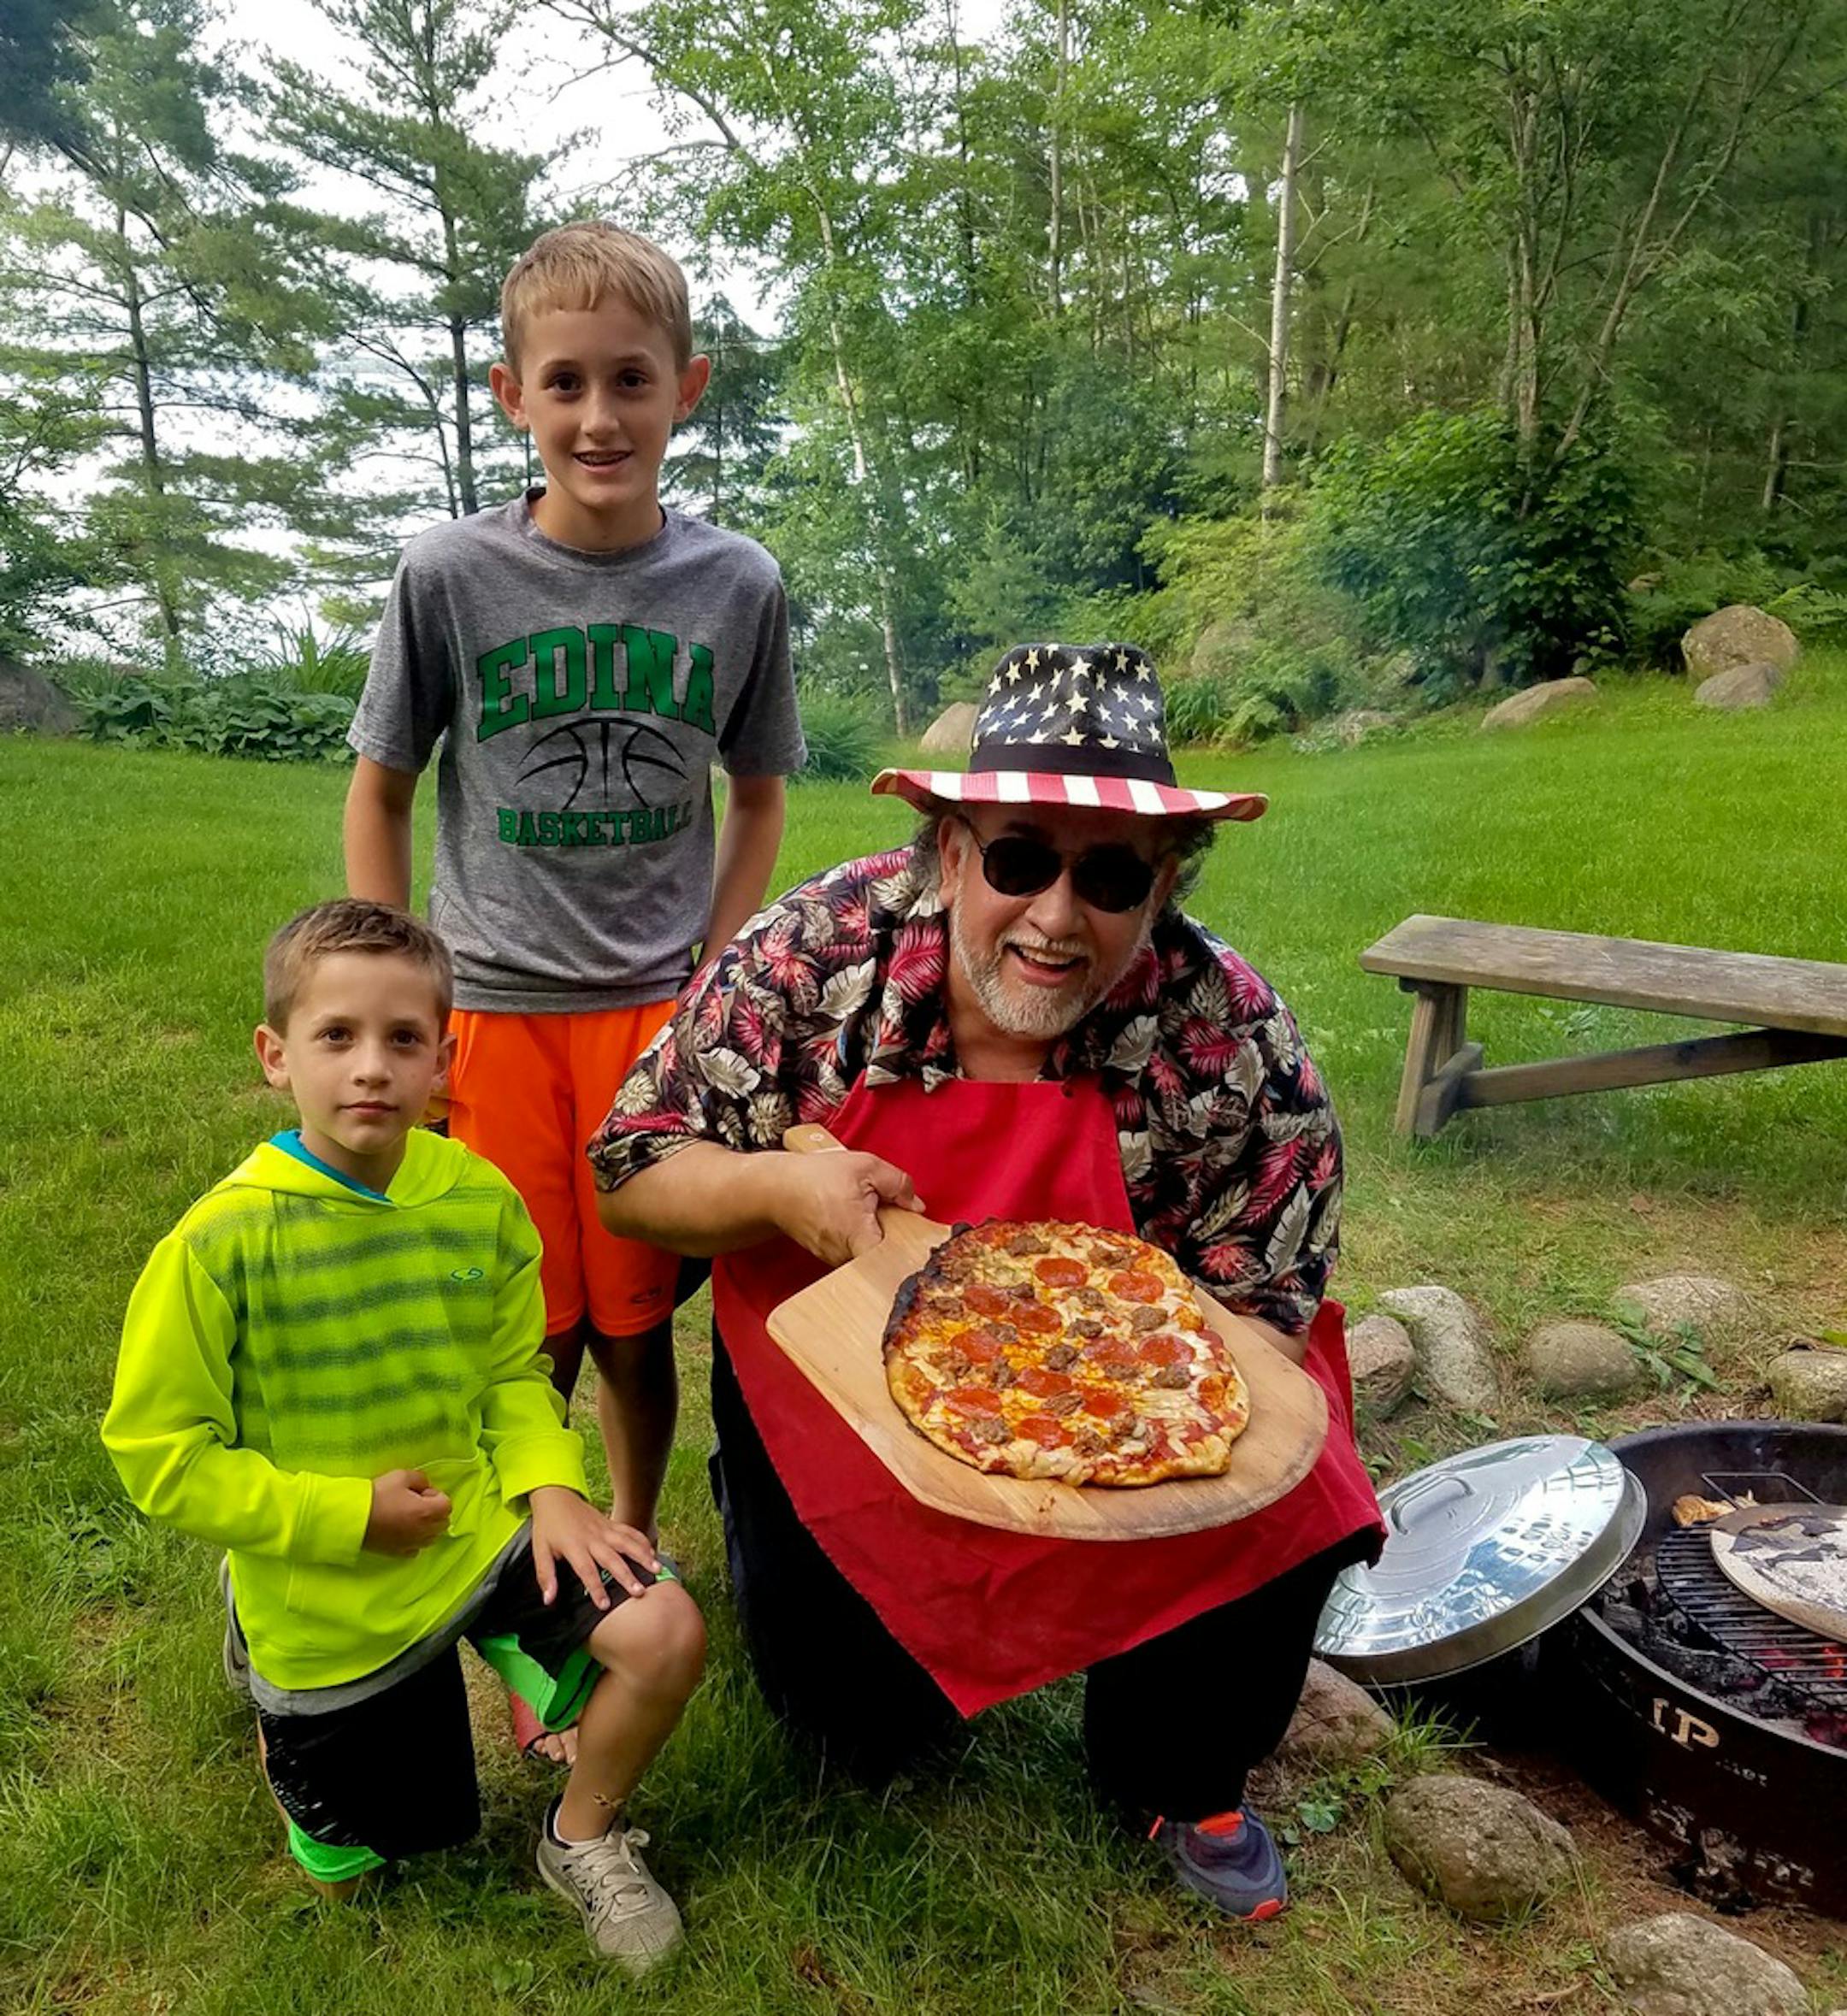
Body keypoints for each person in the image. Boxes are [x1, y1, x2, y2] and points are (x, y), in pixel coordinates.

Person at [589, 643, 1384, 1923]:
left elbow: (1272, 1303)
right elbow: (630, 1164)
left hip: (1128, 1383)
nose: (1059, 918)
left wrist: (1115, 1402)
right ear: (951, 850)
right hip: (835, 1366)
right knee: (857, 1732)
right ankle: (781, 1536)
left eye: (1112, 875)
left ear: (1167, 883)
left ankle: (1179, 1774)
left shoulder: (1231, 1029)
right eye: (1019, 859)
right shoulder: (815, 953)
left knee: (1295, 1478)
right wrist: (782, 1190)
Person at [340, 223, 804, 1701]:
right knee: (517, 1321)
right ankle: (522, 1567)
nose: (599, 416)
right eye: (565, 383)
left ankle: (631, 1533)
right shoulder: (449, 575)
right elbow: (382, 784)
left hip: (653, 1027)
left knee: (633, 1324)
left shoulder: (737, 584)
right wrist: (400, 991)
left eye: (631, 380)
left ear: (688, 387)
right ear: (510, 395)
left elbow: (764, 795)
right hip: (492, 1012)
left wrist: (717, 976)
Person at [101, 901, 706, 1972]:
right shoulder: (219, 1242)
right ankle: (273, 1664)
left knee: (663, 1632)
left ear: (446, 1061)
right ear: (274, 1057)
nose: (371, 1068)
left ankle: (585, 1839)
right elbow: (160, 1454)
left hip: (474, 1529)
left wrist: (551, 1486)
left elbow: (510, 1371)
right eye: (337, 1037)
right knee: (367, 1858)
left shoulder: (480, 1200)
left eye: (403, 1040)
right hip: (327, 1580)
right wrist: (342, 1516)